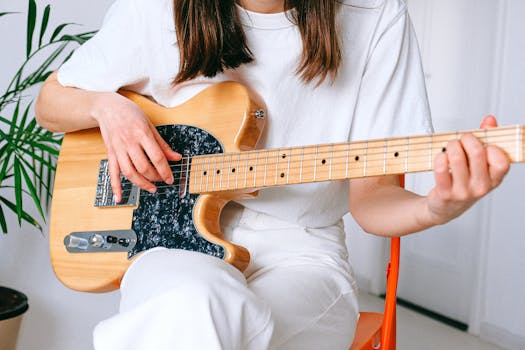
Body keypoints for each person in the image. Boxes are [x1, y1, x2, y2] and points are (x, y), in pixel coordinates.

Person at [35, 0, 510, 349]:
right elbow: (49, 103)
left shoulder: (376, 14)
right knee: (189, 303)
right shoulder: (157, 9)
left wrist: (438, 206)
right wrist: (107, 107)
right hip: (170, 245)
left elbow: (372, 202)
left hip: (305, 253)